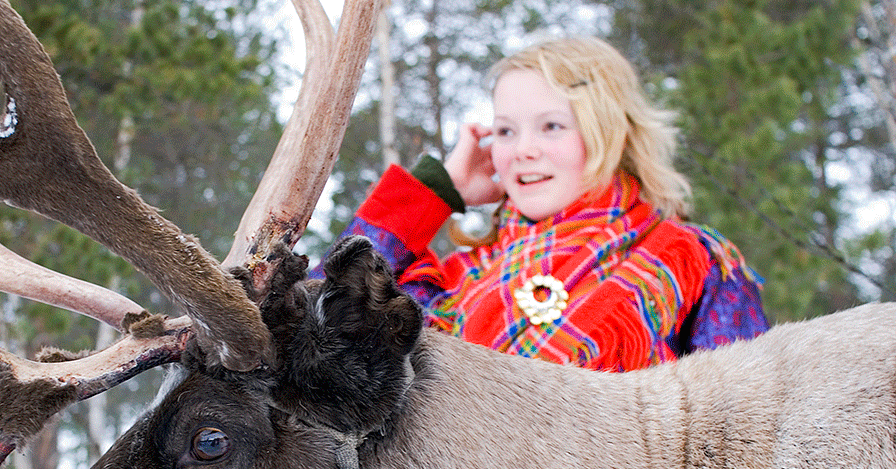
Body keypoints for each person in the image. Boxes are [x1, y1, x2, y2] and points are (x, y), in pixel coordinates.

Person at [326, 35, 769, 372]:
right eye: (505, 131)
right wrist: (438, 189)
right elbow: (324, 314)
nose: (523, 150)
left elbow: (749, 424)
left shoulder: (690, 261)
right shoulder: (457, 281)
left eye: (551, 126)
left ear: (609, 134)